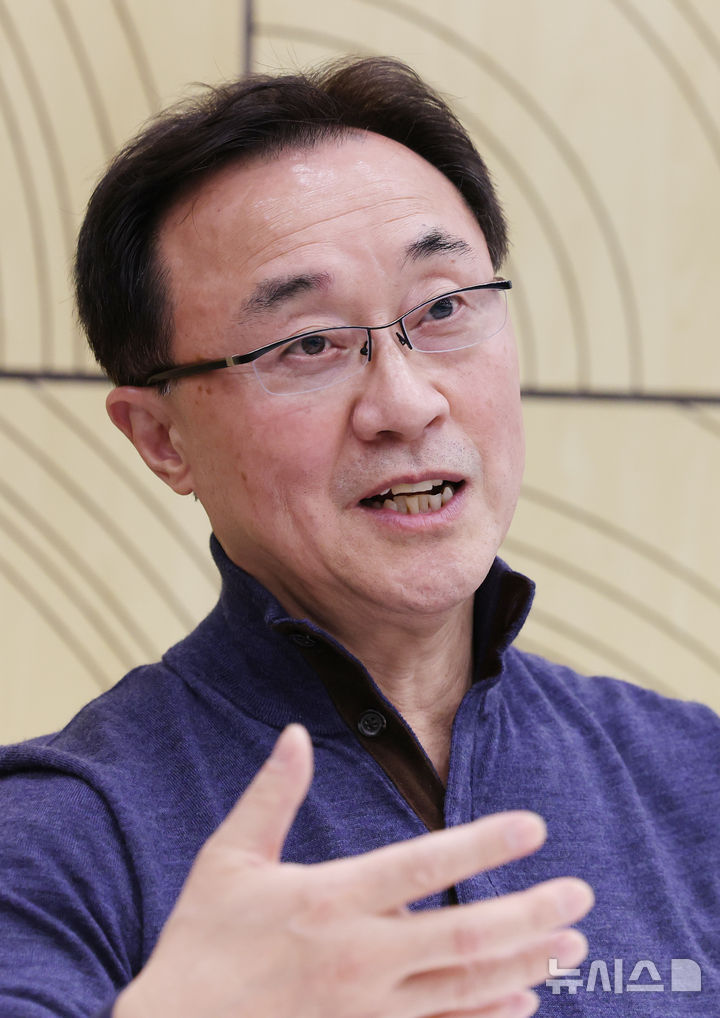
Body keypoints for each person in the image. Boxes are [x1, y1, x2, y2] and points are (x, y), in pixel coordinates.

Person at [0, 56, 717, 1018]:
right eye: (308, 344)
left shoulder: (694, 777)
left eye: (445, 307)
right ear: (163, 439)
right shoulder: (55, 838)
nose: (407, 403)